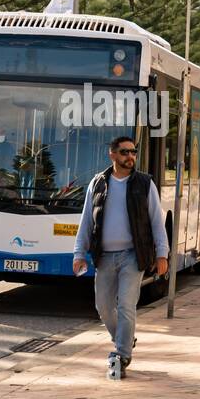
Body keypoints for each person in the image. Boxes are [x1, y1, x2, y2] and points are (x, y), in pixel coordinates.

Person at [72, 135, 169, 380]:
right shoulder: (98, 184)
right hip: (104, 256)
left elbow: (157, 222)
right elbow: (86, 221)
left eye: (133, 152)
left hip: (132, 256)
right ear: (112, 154)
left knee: (126, 305)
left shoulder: (145, 184)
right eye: (125, 152)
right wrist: (79, 253)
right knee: (103, 307)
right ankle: (124, 338)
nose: (130, 157)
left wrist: (162, 254)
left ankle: (122, 355)